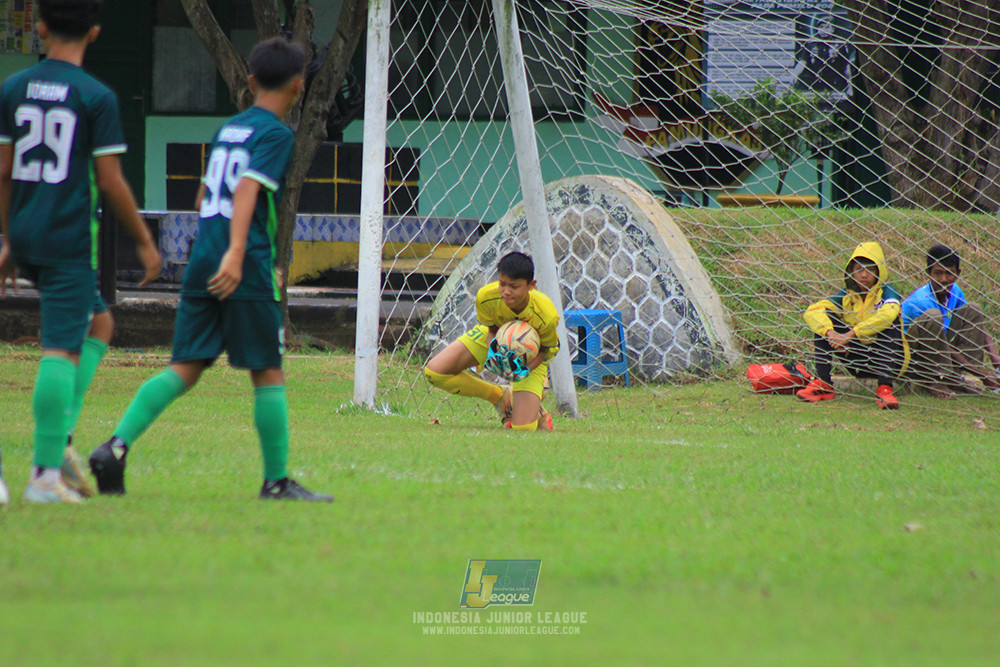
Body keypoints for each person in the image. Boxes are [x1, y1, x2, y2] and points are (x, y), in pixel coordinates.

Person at [88, 37, 331, 502]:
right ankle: (276, 482)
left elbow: (205, 197)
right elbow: (244, 191)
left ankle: (114, 447)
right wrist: (238, 252)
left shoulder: (230, 129)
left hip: (203, 256)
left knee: (185, 366)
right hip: (244, 262)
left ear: (250, 79)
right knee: (267, 370)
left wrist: (220, 245)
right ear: (299, 87)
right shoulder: (277, 135)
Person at [0, 0, 162, 504]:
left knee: (100, 323)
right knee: (59, 349)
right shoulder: (95, 96)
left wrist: (8, 237)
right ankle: (45, 474)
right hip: (67, 240)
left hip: (25, 230)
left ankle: (60, 439)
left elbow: (3, 173)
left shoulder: (13, 88)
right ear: (94, 32)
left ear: (42, 27)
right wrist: (143, 240)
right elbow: (110, 182)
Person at [424, 251, 559, 431]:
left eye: (514, 286)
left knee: (523, 430)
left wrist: (523, 370)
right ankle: (500, 396)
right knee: (435, 372)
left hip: (532, 356)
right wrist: (493, 353)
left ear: (531, 286)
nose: (506, 291)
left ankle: (536, 413)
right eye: (502, 284)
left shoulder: (546, 314)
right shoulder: (486, 297)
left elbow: (545, 349)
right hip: (494, 338)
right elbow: (491, 329)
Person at [796, 241, 908, 409]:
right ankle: (824, 385)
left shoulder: (887, 292)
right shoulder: (846, 296)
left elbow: (888, 314)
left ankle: (885, 389)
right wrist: (831, 334)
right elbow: (812, 311)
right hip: (858, 361)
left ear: (879, 271)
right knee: (824, 321)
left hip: (891, 362)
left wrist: (850, 335)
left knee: (889, 323)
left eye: (870, 269)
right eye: (859, 269)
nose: (864, 275)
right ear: (852, 272)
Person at [901, 244, 1000, 397]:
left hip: (941, 344)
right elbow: (942, 343)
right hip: (912, 353)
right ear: (928, 273)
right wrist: (981, 374)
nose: (943, 279)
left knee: (973, 309)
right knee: (933, 316)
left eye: (949, 273)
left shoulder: (954, 291)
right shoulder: (921, 300)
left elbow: (975, 324)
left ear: (958, 273)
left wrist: (995, 359)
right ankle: (932, 380)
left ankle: (954, 378)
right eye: (938, 273)